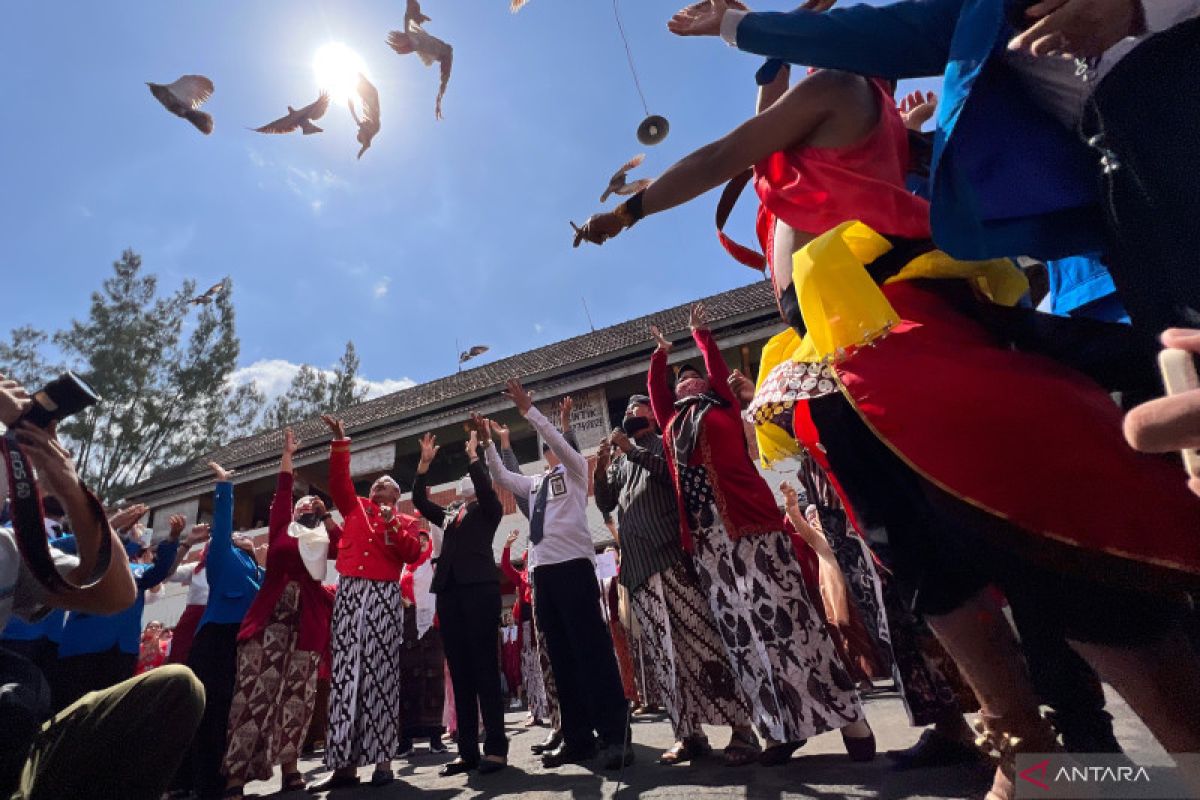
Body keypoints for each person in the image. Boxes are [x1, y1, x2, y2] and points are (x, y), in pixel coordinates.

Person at [667, 0, 1200, 344]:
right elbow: (863, 34)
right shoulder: (968, 16)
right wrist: (738, 26)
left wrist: (1136, 8)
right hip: (1128, 213)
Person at [645, 306, 875, 765]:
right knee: (744, 640)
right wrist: (662, 356)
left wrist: (701, 336)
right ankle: (781, 731)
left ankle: (852, 718)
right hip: (710, 546)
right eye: (681, 379)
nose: (687, 381)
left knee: (790, 623)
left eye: (694, 377)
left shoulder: (724, 408)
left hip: (753, 531)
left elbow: (716, 369)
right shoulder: (672, 424)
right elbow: (656, 394)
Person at [0, 374, 204, 800]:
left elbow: (117, 591)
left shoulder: (10, 549)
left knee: (174, 688)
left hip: (27, 708)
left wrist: (72, 490)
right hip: (60, 652)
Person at [593, 394, 758, 765]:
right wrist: (602, 467)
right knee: (664, 659)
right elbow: (604, 503)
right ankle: (688, 735)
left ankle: (742, 729)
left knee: (701, 643)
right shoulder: (621, 462)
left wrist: (630, 450)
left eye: (640, 411)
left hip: (670, 561)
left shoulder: (667, 444)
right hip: (638, 572)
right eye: (628, 414)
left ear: (652, 415)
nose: (633, 417)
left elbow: (673, 478)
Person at [484, 379, 633, 770]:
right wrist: (486, 441)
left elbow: (558, 439)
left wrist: (529, 412)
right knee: (562, 658)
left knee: (592, 652)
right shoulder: (534, 483)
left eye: (553, 445)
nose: (549, 449)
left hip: (573, 566)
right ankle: (578, 738)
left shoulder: (576, 470)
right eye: (545, 448)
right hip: (542, 574)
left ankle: (616, 736)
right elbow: (500, 476)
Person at [221, 429, 340, 796]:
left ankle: (291, 770)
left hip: (307, 622)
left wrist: (328, 512)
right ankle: (235, 776)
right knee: (254, 692)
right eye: (302, 507)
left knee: (298, 697)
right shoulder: (280, 530)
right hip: (270, 618)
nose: (306, 508)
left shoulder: (322, 538)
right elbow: (284, 490)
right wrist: (287, 455)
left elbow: (342, 544)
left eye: (311, 508)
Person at [308, 414, 423, 792]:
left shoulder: (406, 521)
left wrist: (391, 523)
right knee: (345, 674)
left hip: (383, 595)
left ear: (396, 495)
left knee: (380, 673)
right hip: (350, 591)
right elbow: (339, 481)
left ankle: (383, 760)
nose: (378, 487)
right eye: (375, 485)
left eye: (386, 485)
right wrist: (341, 441)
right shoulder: (355, 508)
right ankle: (343, 765)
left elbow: (410, 554)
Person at [413, 426, 508, 776]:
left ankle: (495, 748)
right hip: (449, 595)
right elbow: (422, 503)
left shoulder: (489, 510)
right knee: (462, 674)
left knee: (484, 670)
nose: (462, 493)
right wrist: (423, 466)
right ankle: (467, 751)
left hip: (479, 591)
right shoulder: (451, 516)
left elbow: (484, 488)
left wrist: (473, 456)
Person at [173, 461, 264, 800]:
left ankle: (226, 778)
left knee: (230, 712)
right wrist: (225, 486)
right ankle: (201, 782)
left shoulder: (256, 570)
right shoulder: (222, 558)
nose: (243, 537)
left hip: (242, 641)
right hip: (215, 639)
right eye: (238, 536)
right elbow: (223, 528)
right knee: (208, 710)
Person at [54, 511, 189, 710]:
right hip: (82, 647)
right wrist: (109, 527)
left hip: (122, 651)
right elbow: (57, 548)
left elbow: (159, 573)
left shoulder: (135, 570)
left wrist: (173, 539)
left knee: (110, 711)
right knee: (70, 707)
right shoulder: (88, 561)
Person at [396, 529, 448, 756]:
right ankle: (405, 741)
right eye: (417, 539)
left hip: (430, 628)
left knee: (433, 682)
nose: (421, 543)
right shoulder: (404, 567)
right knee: (406, 684)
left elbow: (439, 540)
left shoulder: (432, 562)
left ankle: (436, 738)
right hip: (407, 629)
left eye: (424, 539)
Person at [500, 532, 550, 727]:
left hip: (544, 625)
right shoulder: (521, 577)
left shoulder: (543, 571)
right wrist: (507, 546)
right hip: (528, 629)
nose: (530, 558)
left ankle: (548, 708)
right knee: (529, 669)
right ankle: (535, 710)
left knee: (546, 668)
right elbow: (505, 567)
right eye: (527, 557)